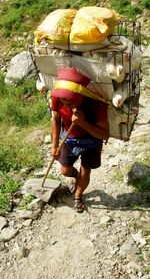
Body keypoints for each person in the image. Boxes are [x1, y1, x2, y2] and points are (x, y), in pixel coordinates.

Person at [50, 67, 109, 213]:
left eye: (70, 99)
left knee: (86, 172)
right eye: (63, 98)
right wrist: (54, 145)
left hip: (92, 142)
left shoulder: (96, 103)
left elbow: (104, 135)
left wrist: (83, 123)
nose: (66, 102)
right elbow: (56, 120)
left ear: (80, 93)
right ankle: (75, 177)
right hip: (69, 139)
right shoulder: (58, 98)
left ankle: (78, 196)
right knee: (64, 171)